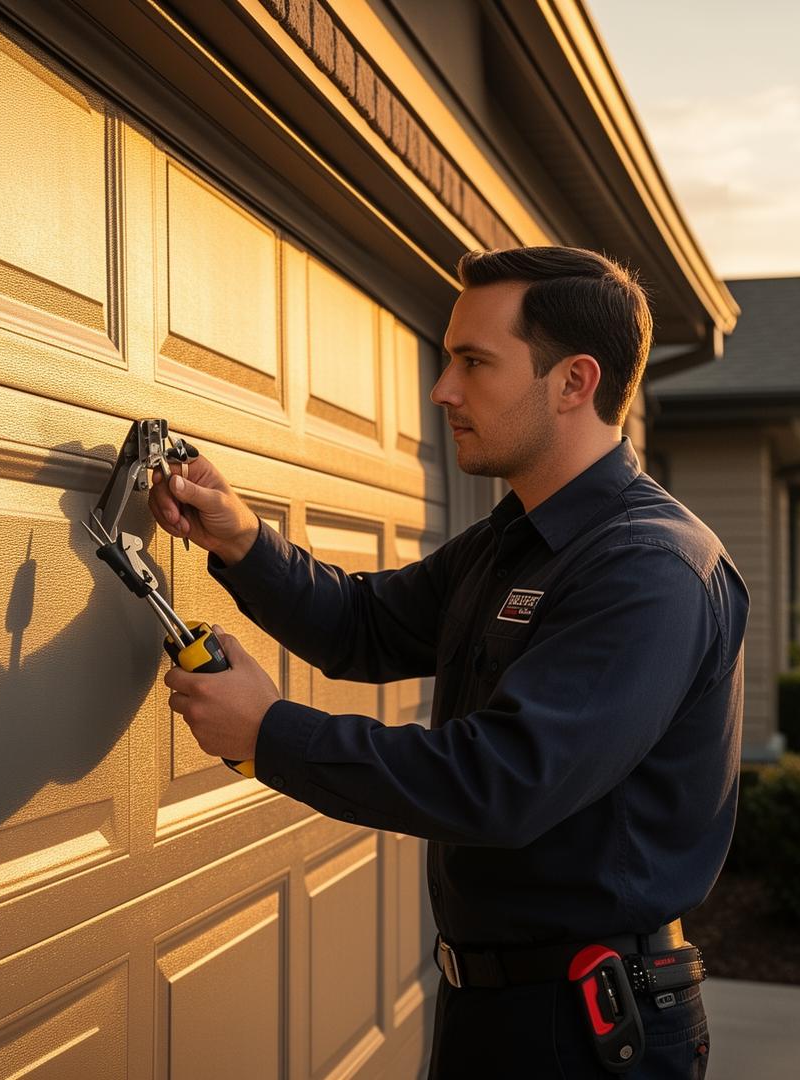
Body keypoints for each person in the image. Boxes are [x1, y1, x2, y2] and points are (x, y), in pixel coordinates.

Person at [151, 246, 746, 1079]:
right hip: (495, 1007)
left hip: (589, 1033)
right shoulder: (516, 539)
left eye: (474, 362)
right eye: (447, 361)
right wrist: (242, 540)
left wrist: (271, 731)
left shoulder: (649, 569)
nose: (443, 391)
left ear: (574, 382)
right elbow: (364, 625)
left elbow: (501, 781)